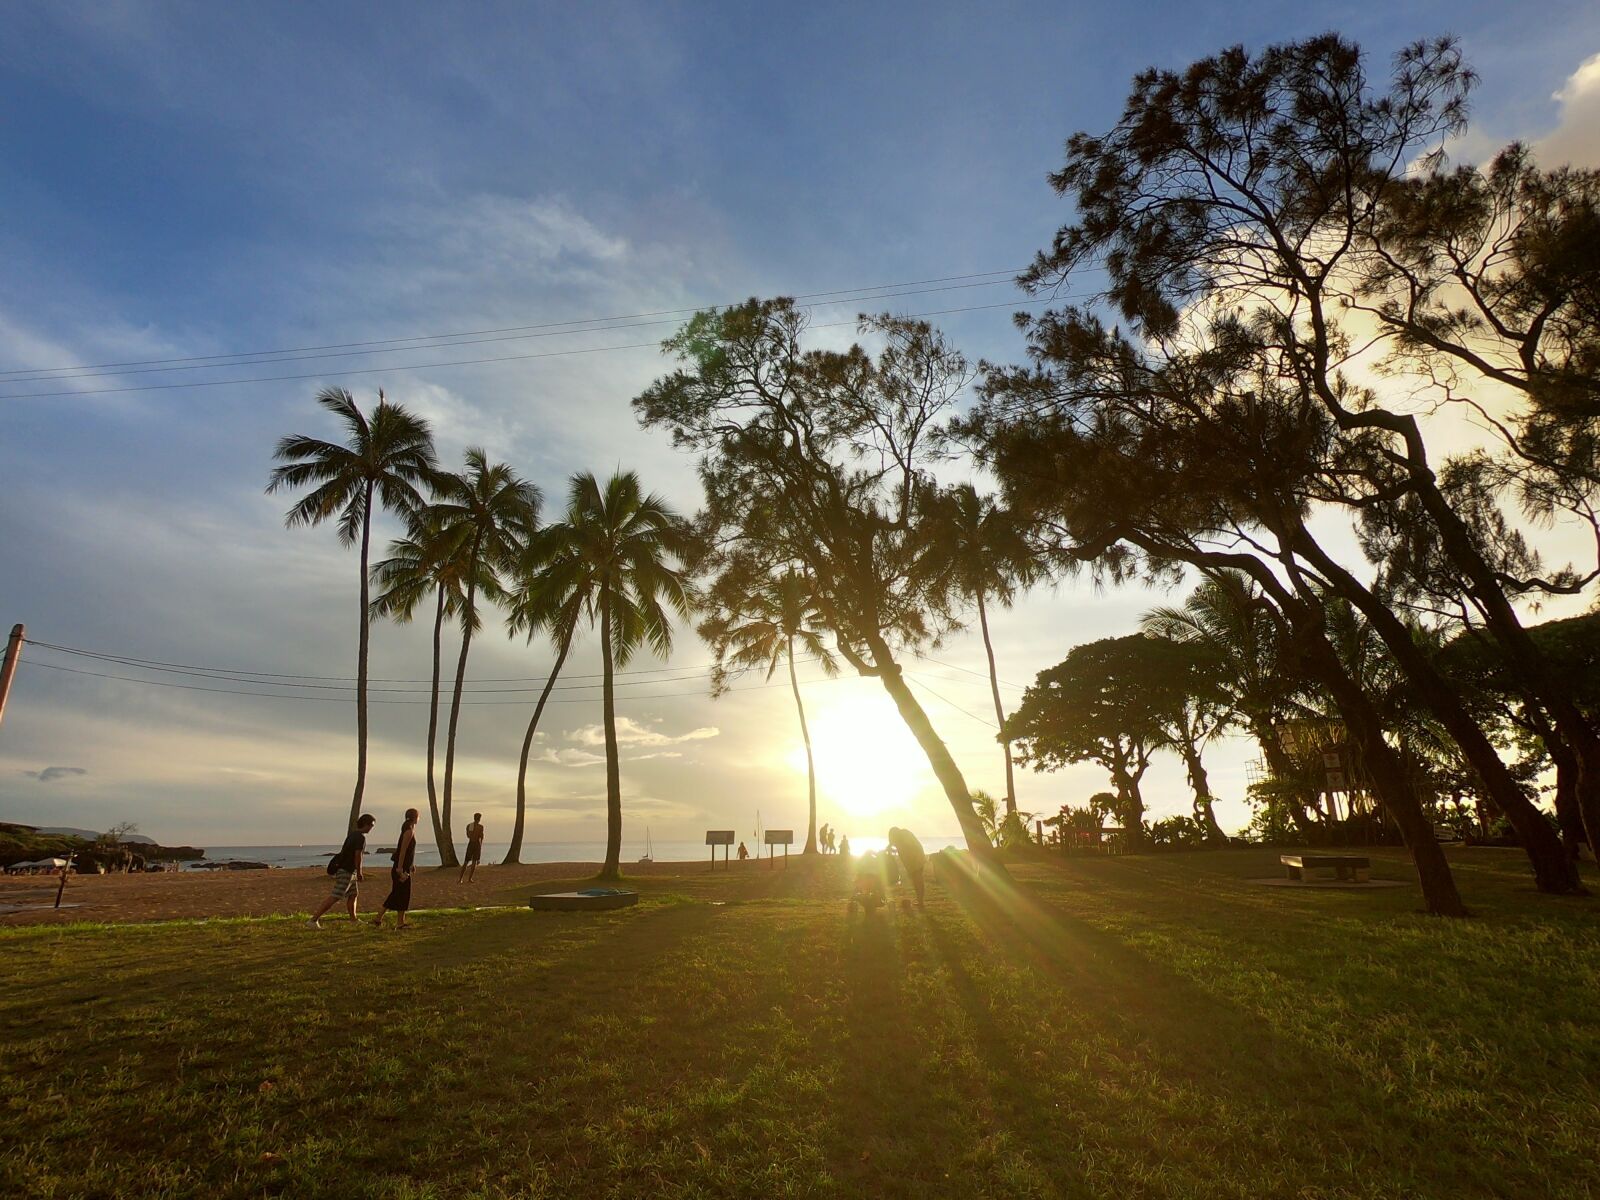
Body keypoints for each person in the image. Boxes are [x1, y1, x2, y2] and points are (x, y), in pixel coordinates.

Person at [308, 814, 375, 928]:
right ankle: (313, 920)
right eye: (371, 825)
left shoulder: (352, 835)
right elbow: (358, 855)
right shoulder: (360, 838)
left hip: (348, 870)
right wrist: (359, 872)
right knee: (336, 896)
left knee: (353, 894)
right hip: (347, 870)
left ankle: (353, 920)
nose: (371, 828)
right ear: (365, 824)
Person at [373, 809, 419, 930]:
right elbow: (402, 850)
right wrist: (400, 868)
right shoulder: (408, 831)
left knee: (400, 894)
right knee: (400, 894)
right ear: (415, 817)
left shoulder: (409, 829)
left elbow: (409, 852)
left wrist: (411, 864)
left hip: (404, 867)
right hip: (400, 868)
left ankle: (384, 919)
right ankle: (394, 921)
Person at [886, 826, 927, 907]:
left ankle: (920, 901)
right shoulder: (901, 835)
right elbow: (897, 847)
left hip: (916, 860)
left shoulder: (903, 835)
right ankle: (920, 900)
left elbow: (906, 848)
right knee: (916, 881)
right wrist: (890, 847)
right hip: (914, 860)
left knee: (918, 881)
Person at [459, 812, 485, 883]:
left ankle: (461, 878)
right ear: (479, 819)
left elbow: (468, 835)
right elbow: (481, 837)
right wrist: (480, 846)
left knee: (467, 861)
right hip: (476, 844)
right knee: (472, 861)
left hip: (471, 843)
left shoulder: (469, 826)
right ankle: (469, 878)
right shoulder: (480, 827)